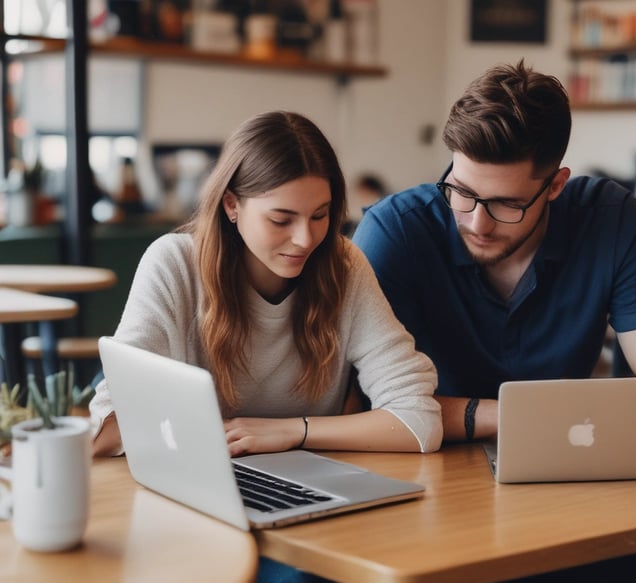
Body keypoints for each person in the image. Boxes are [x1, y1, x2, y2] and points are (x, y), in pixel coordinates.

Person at [352, 61, 636, 582]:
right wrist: (525, 418)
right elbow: (359, 408)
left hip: (573, 484)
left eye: (507, 204)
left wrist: (469, 415)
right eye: (461, 191)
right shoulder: (397, 231)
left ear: (556, 185)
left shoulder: (608, 218)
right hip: (431, 488)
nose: (476, 222)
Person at [89, 111, 442, 580]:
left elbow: (418, 421)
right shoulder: (174, 264)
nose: (305, 238)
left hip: (308, 503)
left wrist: (292, 431)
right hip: (197, 500)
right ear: (232, 205)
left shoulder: (344, 267)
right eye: (281, 219)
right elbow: (111, 422)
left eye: (320, 215)